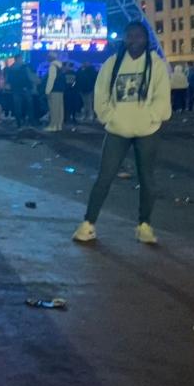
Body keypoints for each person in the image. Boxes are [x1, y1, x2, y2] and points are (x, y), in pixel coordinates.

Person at [73, 22, 171, 245]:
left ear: (146, 40)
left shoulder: (156, 65)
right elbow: (101, 93)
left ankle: (144, 225)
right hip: (117, 130)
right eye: (130, 36)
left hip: (147, 130)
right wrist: (109, 117)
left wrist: (150, 117)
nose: (134, 40)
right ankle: (88, 223)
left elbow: (162, 97)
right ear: (125, 39)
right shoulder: (112, 63)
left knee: (147, 179)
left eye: (138, 36)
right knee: (104, 177)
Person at [5, 55, 34, 127]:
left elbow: (8, 80)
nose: (22, 60)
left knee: (17, 106)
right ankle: (31, 121)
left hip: (15, 89)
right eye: (21, 59)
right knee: (29, 105)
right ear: (18, 59)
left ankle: (19, 123)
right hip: (25, 88)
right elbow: (29, 77)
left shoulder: (11, 68)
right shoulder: (25, 67)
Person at [44, 53, 66, 132]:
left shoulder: (53, 66)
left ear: (51, 58)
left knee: (54, 109)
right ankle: (59, 125)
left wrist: (47, 91)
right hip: (60, 90)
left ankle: (53, 125)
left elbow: (51, 79)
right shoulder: (60, 66)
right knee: (60, 108)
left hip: (54, 90)